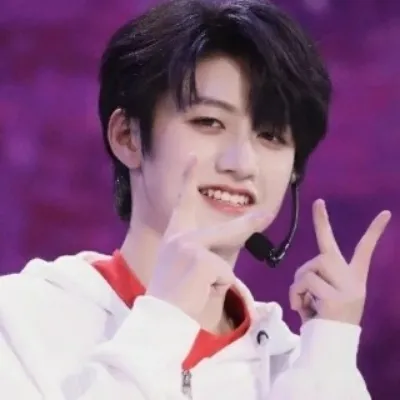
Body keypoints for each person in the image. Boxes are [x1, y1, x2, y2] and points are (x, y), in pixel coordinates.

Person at [0, 0, 391, 398]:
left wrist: (329, 355)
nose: (242, 163)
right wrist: (164, 323)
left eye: (271, 135)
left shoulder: (299, 367)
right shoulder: (22, 320)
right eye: (209, 122)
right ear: (128, 137)